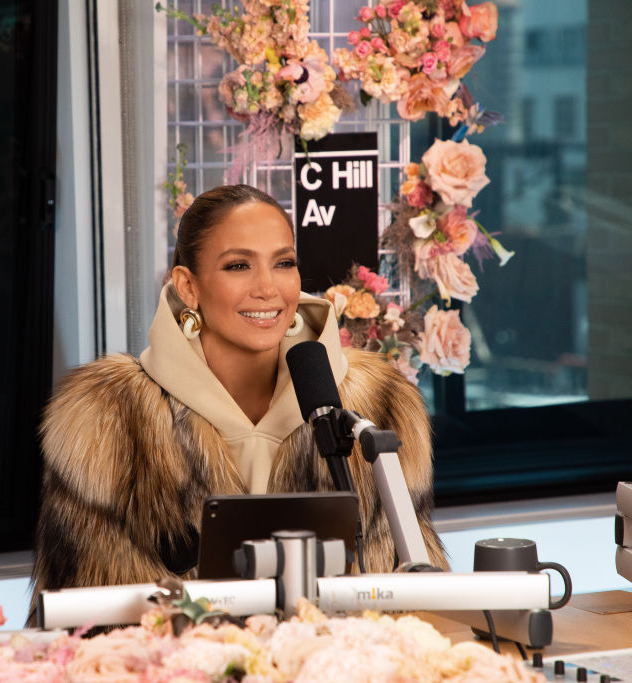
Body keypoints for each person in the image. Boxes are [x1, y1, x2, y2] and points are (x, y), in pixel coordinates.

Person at [30, 184, 447, 611]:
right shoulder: (106, 419)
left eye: (284, 263)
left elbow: (421, 608)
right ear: (187, 286)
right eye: (238, 265)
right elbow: (85, 626)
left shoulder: (382, 406)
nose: (268, 288)